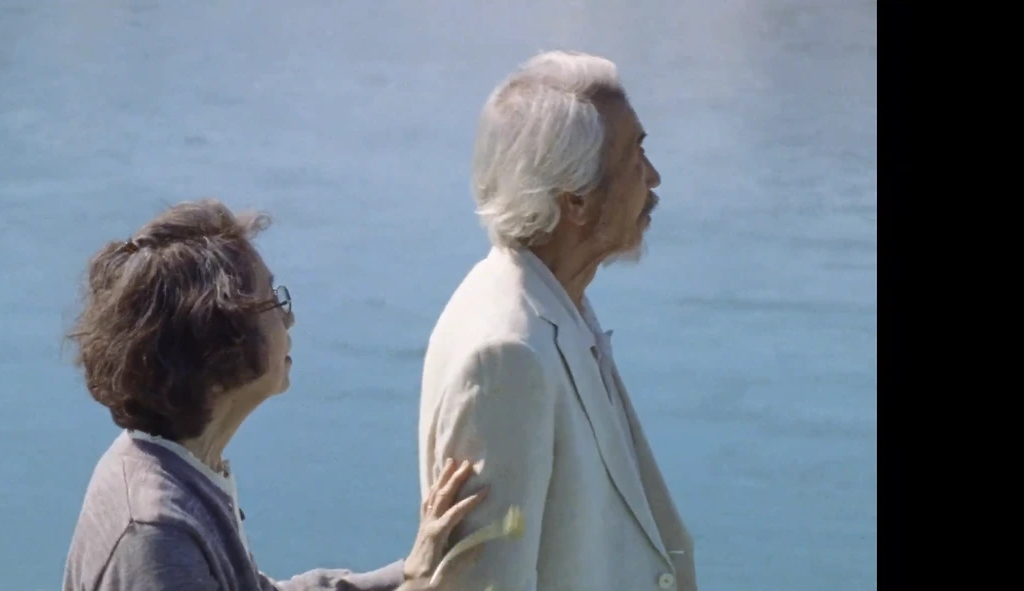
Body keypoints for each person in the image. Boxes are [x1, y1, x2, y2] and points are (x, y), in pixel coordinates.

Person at [62, 199, 488, 591]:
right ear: (215, 348)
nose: (290, 318)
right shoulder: (156, 537)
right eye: (272, 301)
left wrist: (408, 573)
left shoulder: (172, 471)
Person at [417, 50, 698, 591]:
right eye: (635, 157)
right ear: (576, 200)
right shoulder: (507, 354)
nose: (654, 177)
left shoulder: (553, 304)